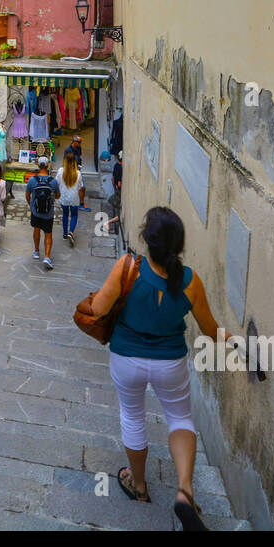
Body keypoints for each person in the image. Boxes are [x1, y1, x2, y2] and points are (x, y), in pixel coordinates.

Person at [85, 207, 237, 530]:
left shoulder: (128, 268)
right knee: (181, 418)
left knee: (132, 415)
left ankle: (138, 486)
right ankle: (185, 489)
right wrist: (235, 340)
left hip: (127, 358)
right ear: (178, 246)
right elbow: (211, 331)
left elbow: (98, 308)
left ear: (146, 240)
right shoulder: (190, 282)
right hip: (170, 361)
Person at [25, 155, 60, 269]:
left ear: (38, 166)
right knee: (48, 233)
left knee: (36, 229)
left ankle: (36, 251)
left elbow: (27, 194)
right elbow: (58, 196)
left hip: (36, 212)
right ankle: (47, 257)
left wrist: (31, 205)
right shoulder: (53, 181)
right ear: (48, 165)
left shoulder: (32, 180)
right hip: (48, 212)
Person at [57, 151, 84, 247]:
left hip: (63, 197)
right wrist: (82, 200)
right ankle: (71, 232)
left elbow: (57, 182)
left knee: (65, 214)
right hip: (74, 198)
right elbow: (80, 187)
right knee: (74, 215)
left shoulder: (60, 171)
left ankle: (65, 234)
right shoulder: (78, 174)